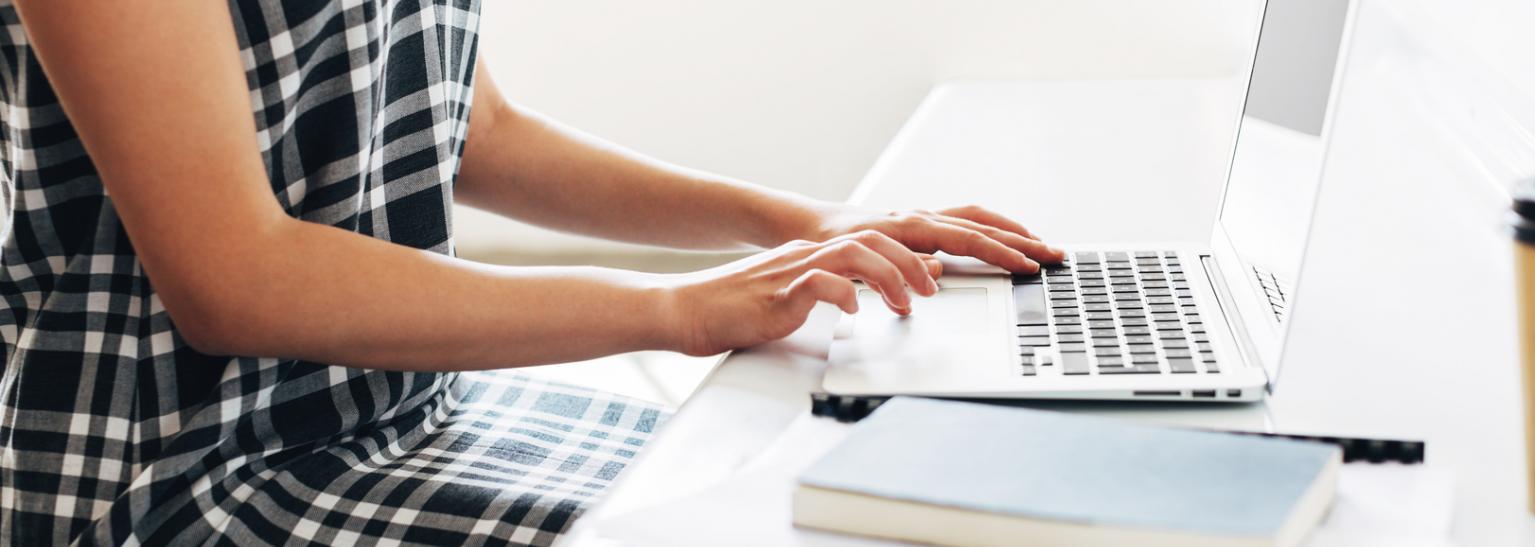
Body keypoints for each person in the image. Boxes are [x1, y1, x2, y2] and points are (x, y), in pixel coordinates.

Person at [0, 1, 1062, 544]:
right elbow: (233, 277)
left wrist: (800, 218)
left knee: (808, 493)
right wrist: (671, 310)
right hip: (173, 483)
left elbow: (474, 130)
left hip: (403, 416)